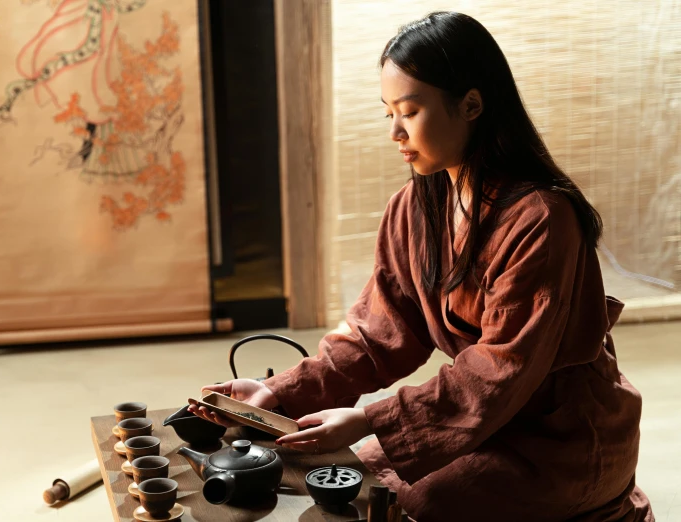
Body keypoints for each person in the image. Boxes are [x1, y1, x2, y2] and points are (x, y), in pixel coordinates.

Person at [188, 11, 654, 522]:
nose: (395, 131)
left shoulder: (542, 218)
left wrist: (369, 418)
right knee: (343, 475)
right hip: (481, 420)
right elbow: (377, 335)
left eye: (409, 111)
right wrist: (278, 391)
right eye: (387, 112)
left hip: (560, 440)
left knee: (412, 504)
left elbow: (499, 372)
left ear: (471, 104)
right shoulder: (414, 207)